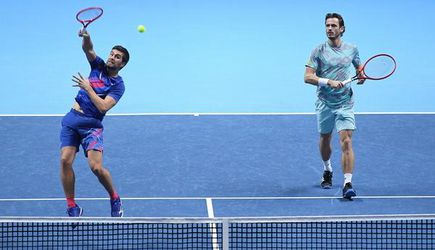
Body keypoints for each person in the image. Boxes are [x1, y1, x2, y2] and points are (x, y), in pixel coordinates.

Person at [60, 28, 129, 216]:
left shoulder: (118, 86)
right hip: (72, 119)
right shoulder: (97, 66)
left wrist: (88, 88)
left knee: (96, 167)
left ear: (122, 64)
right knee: (65, 160)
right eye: (112, 54)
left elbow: (103, 107)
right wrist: (87, 37)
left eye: (117, 57)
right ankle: (72, 206)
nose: (112, 57)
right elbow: (88, 50)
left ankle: (114, 197)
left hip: (92, 127)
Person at [304, 13, 365, 199]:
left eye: (333, 25)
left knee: (346, 140)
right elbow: (307, 77)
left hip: (345, 102)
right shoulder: (318, 51)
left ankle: (347, 183)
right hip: (324, 102)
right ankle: (327, 169)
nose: (329, 28)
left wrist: (361, 76)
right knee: (325, 139)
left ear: (342, 29)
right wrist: (328, 81)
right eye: (327, 25)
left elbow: (358, 68)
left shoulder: (352, 49)